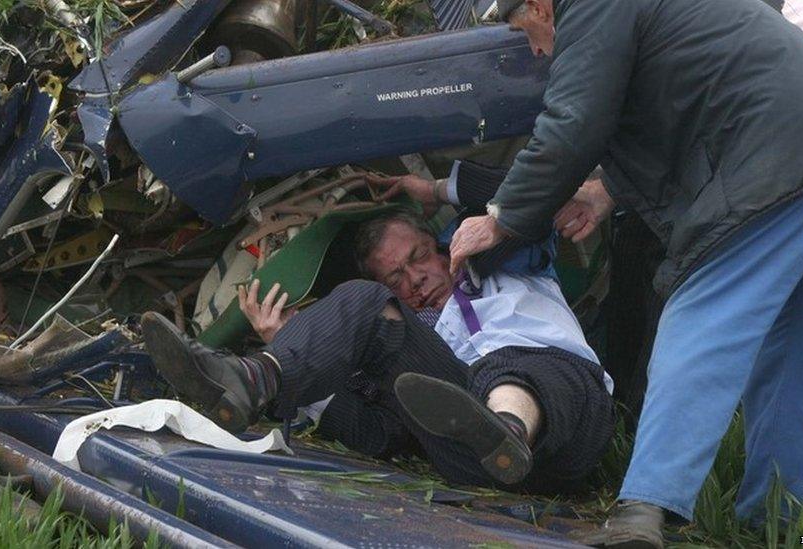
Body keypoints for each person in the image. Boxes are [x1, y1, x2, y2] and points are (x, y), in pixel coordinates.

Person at [447, 0, 803, 546]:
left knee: (699, 321)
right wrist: (607, 192)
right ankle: (779, 525)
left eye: (528, 32)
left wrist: (504, 218)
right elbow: (684, 92)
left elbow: (575, 120)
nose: (537, 51)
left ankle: (643, 512)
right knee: (797, 353)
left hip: (784, 156)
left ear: (539, 3)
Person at [140, 166, 616, 494]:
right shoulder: (408, 346)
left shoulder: (509, 263)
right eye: (395, 278)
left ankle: (507, 427)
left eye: (418, 259)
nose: (415, 280)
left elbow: (547, 185)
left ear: (441, 242)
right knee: (363, 308)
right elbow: (378, 435)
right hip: (474, 461)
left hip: (569, 419)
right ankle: (251, 379)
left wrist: (438, 190)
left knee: (511, 366)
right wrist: (291, 354)